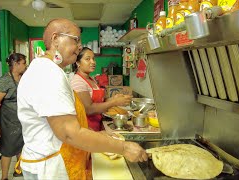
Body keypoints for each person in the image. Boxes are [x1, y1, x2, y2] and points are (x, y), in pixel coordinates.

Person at [17, 18, 147, 180]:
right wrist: (124, 147)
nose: (79, 46)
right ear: (55, 39)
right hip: (50, 168)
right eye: (76, 40)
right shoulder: (49, 73)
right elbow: (69, 133)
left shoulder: (45, 68)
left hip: (49, 162)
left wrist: (99, 136)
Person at [70, 47, 131, 131]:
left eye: (93, 59)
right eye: (88, 59)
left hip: (97, 124)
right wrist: (114, 102)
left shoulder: (92, 79)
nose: (93, 62)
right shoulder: (78, 81)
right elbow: (89, 109)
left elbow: (99, 102)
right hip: (87, 127)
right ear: (78, 63)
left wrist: (113, 99)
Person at [0, 53, 27, 180]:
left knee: (21, 146)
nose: (25, 65)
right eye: (23, 63)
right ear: (16, 64)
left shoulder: (22, 77)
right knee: (8, 149)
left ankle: (18, 170)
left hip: (21, 119)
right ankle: (4, 177)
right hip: (8, 120)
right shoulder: (5, 80)